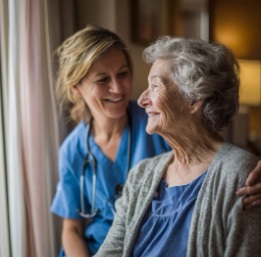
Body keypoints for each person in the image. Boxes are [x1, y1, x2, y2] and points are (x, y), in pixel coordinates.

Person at [50, 25, 261, 257]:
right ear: (77, 89)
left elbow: (212, 155)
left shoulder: (236, 175)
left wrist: (246, 166)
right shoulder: (128, 167)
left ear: (194, 99)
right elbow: (74, 230)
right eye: (102, 79)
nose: (123, 91)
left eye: (123, 74)